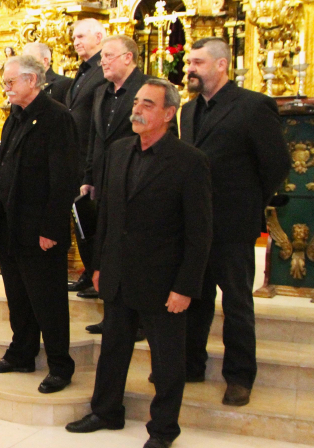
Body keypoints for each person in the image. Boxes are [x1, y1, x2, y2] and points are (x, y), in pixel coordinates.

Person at [66, 78, 213, 448]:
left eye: (148, 104)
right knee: (114, 349)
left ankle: (163, 431)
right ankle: (106, 411)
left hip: (164, 282)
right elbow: (109, 216)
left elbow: (199, 234)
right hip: (117, 272)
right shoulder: (117, 151)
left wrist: (185, 287)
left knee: (166, 362)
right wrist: (97, 265)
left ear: (168, 113)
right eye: (136, 102)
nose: (137, 109)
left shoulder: (190, 162)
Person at [181, 37, 290, 407]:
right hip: (196, 223)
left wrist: (248, 204)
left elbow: (276, 164)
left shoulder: (254, 106)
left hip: (234, 224)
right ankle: (192, 364)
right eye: (189, 62)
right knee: (195, 298)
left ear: (221, 65)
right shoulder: (187, 110)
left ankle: (240, 376)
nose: (189, 68)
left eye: (197, 62)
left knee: (237, 304)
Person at [0, 55, 77, 394]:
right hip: (10, 225)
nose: (5, 88)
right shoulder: (14, 117)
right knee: (18, 295)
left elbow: (64, 178)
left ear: (32, 81)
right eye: (4, 82)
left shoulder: (56, 118)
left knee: (47, 300)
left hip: (39, 230)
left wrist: (52, 229)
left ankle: (60, 365)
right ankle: (21, 353)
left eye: (10, 82)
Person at [79, 35, 149, 337]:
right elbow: (96, 139)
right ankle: (113, 317)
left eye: (108, 55)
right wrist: (89, 177)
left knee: (135, 252)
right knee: (107, 249)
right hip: (105, 181)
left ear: (128, 58)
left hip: (136, 182)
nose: (102, 61)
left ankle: (141, 321)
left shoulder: (148, 89)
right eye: (103, 56)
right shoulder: (101, 92)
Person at [65, 18, 108, 299]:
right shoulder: (82, 72)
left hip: (91, 157)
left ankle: (98, 275)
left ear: (99, 36)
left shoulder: (103, 71)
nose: (76, 41)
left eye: (81, 36)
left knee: (95, 222)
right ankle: (88, 270)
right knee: (81, 221)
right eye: (74, 37)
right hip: (75, 157)